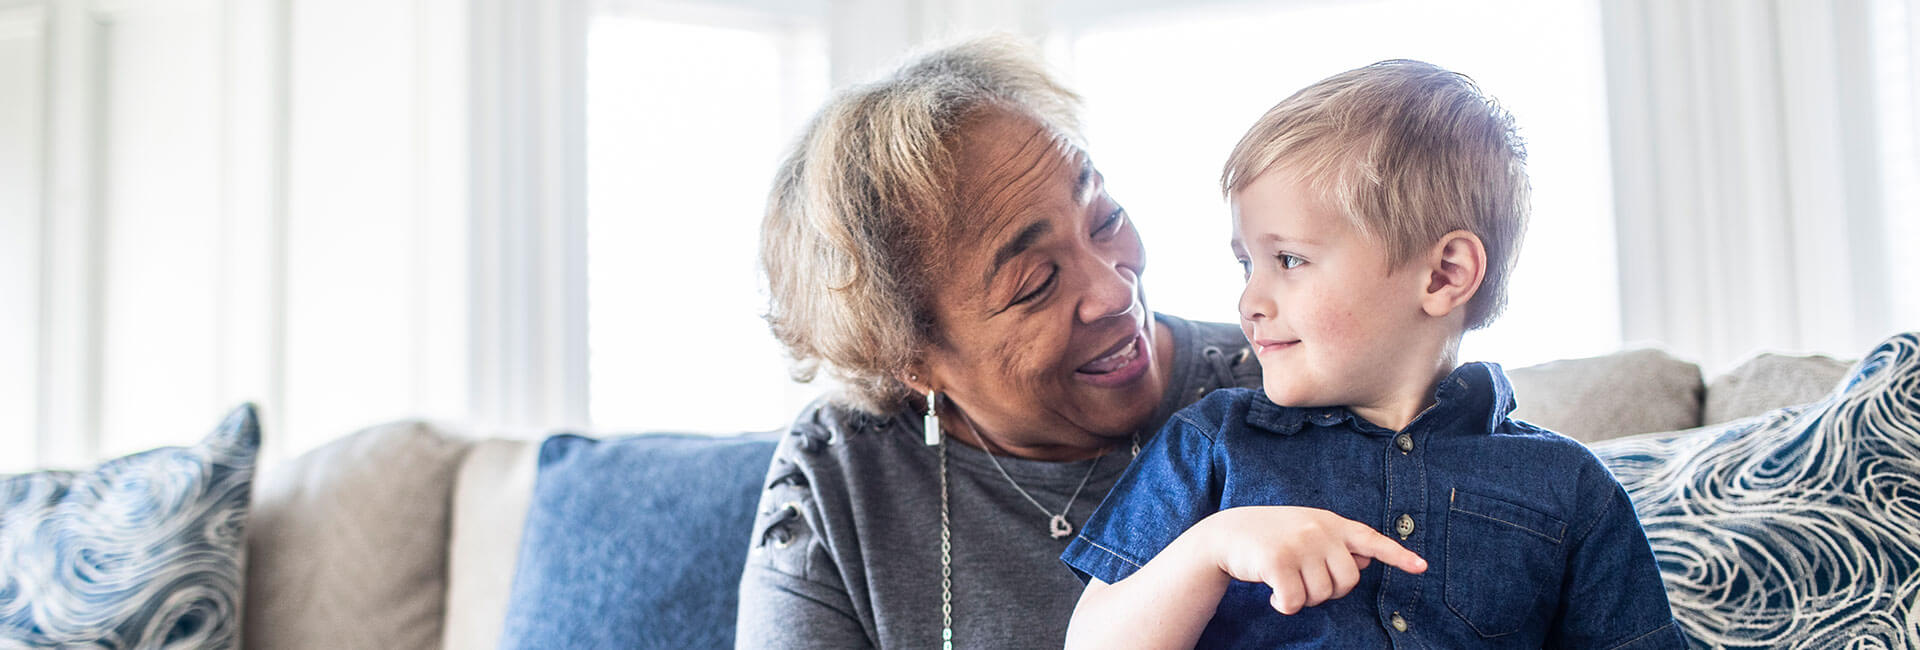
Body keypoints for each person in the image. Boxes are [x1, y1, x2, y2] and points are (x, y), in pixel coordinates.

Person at [1059, 60, 1685, 648]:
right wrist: (1212, 548)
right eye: (1247, 264)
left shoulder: (1569, 487)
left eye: (1290, 260)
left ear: (1443, 276)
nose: (1250, 299)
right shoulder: (1210, 445)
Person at [735, 37, 1263, 648]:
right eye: (1035, 283)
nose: (1114, 292)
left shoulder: (1287, 387)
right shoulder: (841, 467)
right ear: (911, 359)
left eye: (1105, 219)